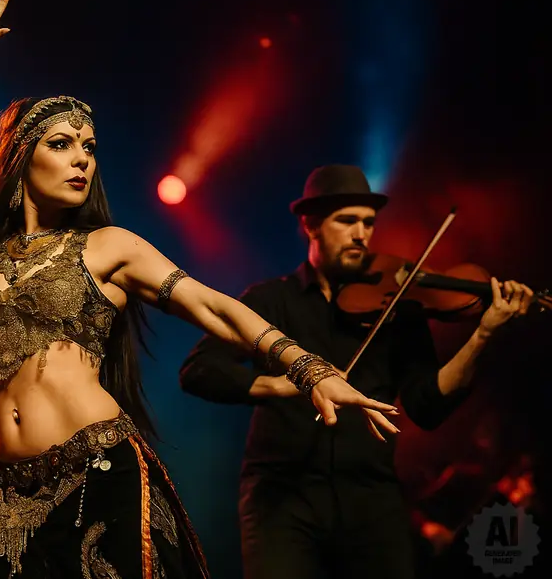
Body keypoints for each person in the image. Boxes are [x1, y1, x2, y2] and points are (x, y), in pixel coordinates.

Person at [0, 0, 399, 578]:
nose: (82, 158)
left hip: (97, 474)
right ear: (22, 158)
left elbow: (212, 306)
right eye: (62, 144)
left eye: (89, 147)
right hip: (5, 494)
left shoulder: (108, 247)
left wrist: (309, 369)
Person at [179, 163, 536, 579]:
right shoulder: (269, 300)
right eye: (347, 221)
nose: (361, 234)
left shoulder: (398, 304)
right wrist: (284, 383)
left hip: (371, 496)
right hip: (282, 496)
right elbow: (199, 370)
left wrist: (482, 335)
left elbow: (427, 406)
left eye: (368, 222)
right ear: (311, 225)